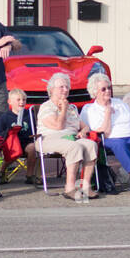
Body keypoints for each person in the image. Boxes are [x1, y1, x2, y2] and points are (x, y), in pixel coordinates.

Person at [82, 73, 130, 196]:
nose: (107, 91)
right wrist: (107, 113)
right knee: (119, 144)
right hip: (111, 139)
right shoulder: (90, 109)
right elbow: (103, 133)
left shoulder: (120, 103)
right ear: (95, 92)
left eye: (109, 88)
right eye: (103, 89)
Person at [38, 71, 98, 202]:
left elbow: (85, 126)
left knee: (91, 145)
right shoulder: (46, 107)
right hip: (49, 139)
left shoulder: (72, 108)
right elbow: (58, 126)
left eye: (67, 87)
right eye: (61, 87)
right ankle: (69, 188)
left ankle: (86, 186)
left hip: (71, 138)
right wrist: (63, 109)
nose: (65, 90)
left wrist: (83, 131)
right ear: (52, 89)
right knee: (74, 146)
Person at [0, 88, 38, 184]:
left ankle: (29, 175)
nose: (22, 102)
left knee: (32, 148)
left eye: (24, 100)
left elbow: (35, 128)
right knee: (15, 150)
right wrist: (10, 130)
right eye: (18, 100)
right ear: (10, 102)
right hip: (11, 143)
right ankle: (1, 171)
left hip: (27, 141)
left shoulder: (29, 114)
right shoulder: (5, 117)